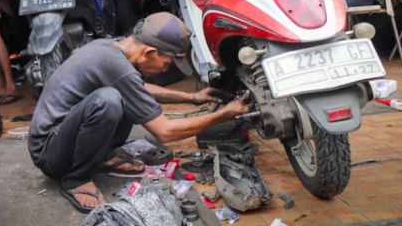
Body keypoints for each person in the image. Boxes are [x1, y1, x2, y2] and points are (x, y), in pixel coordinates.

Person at [28, 12, 251, 213]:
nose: (166, 68)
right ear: (150, 52)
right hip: (49, 153)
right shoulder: (113, 63)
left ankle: (101, 156)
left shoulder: (113, 48)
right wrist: (223, 115)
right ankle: (76, 179)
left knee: (123, 96)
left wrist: (192, 97)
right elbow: (165, 132)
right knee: (108, 101)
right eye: (168, 62)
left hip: (64, 137)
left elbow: (138, 89)